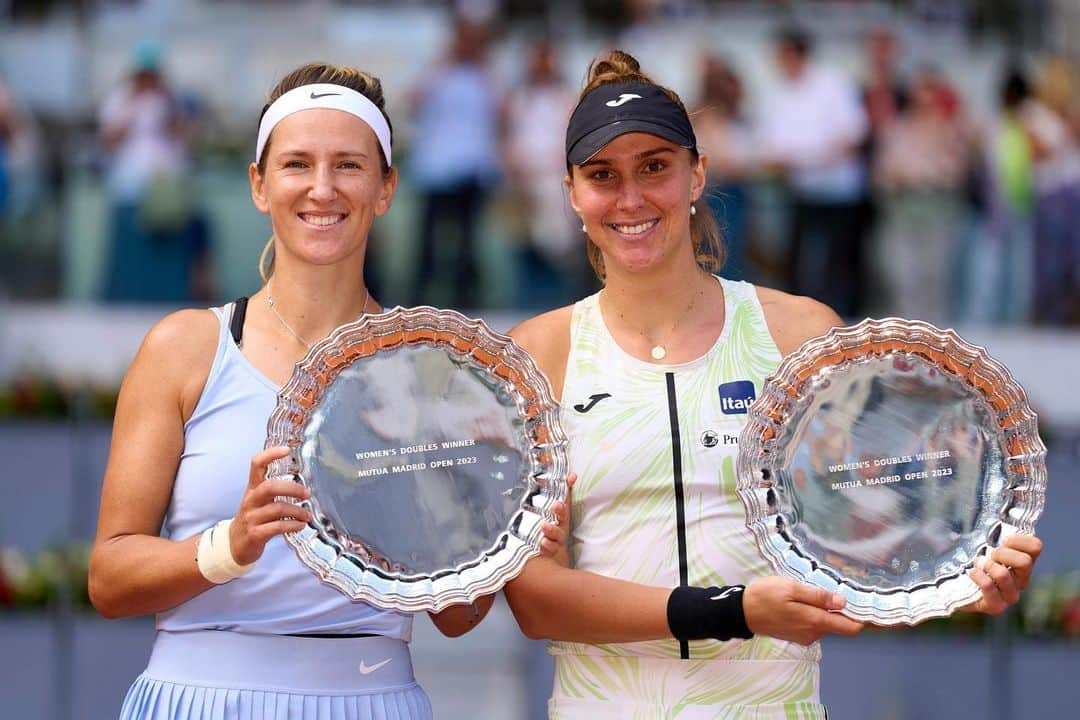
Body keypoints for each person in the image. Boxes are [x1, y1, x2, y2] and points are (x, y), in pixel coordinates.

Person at [502, 50, 1044, 719]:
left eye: (655, 167)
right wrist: (734, 610)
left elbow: (859, 556)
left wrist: (962, 579)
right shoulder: (540, 353)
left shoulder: (796, 333)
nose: (632, 198)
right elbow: (535, 601)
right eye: (603, 175)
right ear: (572, 194)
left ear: (697, 173)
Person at [88, 62, 568, 720]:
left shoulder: (436, 375)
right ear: (259, 185)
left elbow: (455, 616)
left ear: (385, 187)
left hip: (371, 700)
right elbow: (109, 579)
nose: (321, 188)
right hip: (196, 699)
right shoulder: (186, 348)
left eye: (347, 165)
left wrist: (503, 527)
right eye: (296, 164)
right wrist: (231, 544)